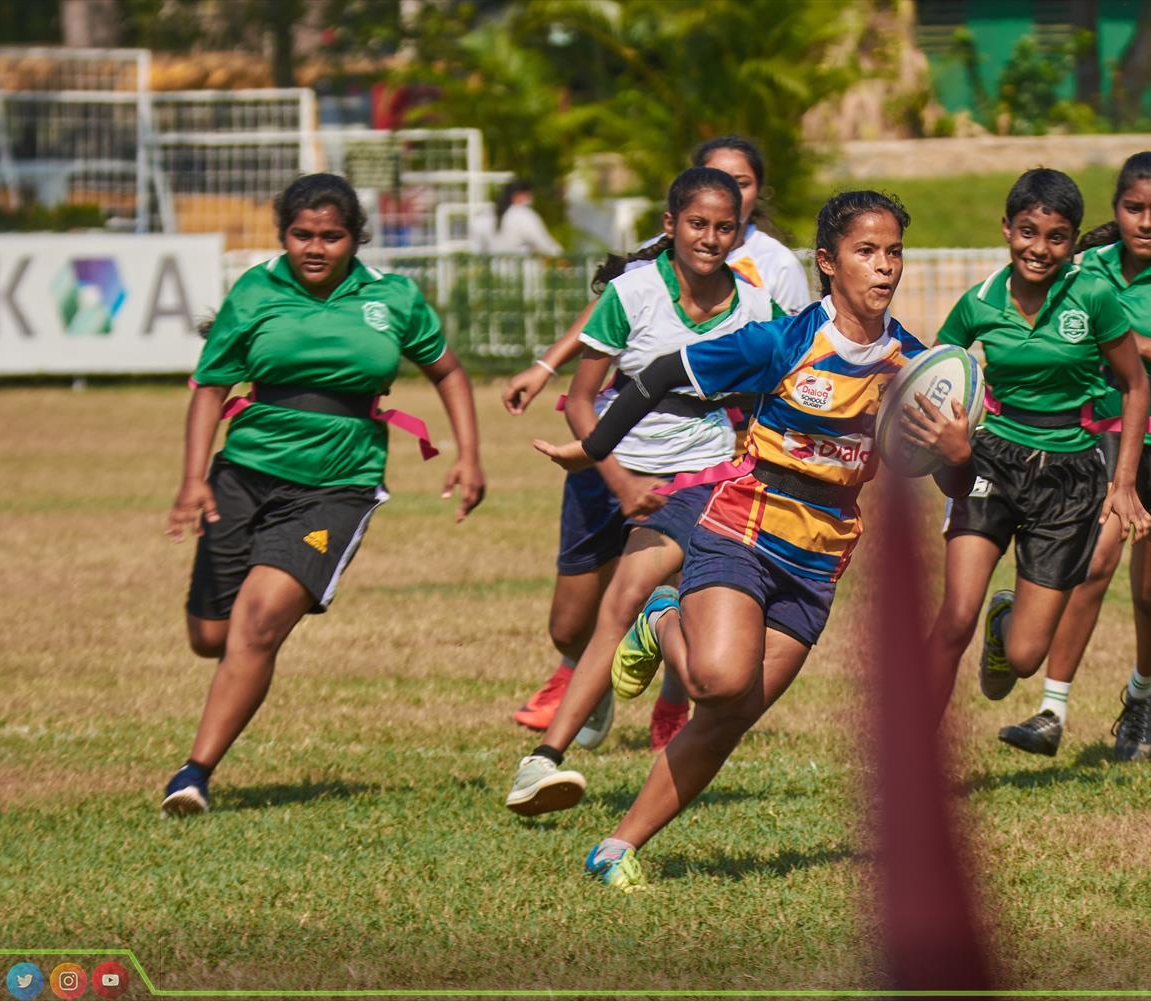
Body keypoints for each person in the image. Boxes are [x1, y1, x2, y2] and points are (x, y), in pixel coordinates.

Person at [510, 191, 971, 894]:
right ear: (827, 262)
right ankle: (661, 617)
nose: (884, 268)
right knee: (718, 678)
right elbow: (663, 373)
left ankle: (616, 846)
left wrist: (959, 452)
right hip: (742, 530)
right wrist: (594, 444)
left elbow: (956, 489)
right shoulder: (783, 341)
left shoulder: (911, 367)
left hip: (819, 563)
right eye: (865, 252)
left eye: (894, 252)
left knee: (730, 715)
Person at [160, 173, 485, 816]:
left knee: (256, 626)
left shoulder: (391, 297)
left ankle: (193, 775)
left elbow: (446, 370)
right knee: (209, 634)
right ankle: (235, 679)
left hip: (338, 485)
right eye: (301, 234)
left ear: (355, 238)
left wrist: (469, 454)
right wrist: (193, 479)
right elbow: (208, 386)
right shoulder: (255, 290)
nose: (315, 247)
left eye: (331, 236)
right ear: (283, 235)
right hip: (244, 474)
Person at [504, 136, 809, 752]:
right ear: (672, 223)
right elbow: (585, 390)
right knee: (569, 624)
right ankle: (595, 677)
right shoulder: (638, 284)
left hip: (699, 469)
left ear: (749, 206)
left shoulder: (767, 282)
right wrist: (612, 472)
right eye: (698, 221)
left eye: (726, 221)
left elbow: (797, 358)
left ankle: (619, 719)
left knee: (645, 591)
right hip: (610, 459)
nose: (712, 235)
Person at [995, 152, 1151, 761]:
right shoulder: (1088, 267)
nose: (1147, 222)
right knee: (1094, 564)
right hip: (1107, 432)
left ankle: (1142, 691)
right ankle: (1052, 709)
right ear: (1116, 210)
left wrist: (1144, 345)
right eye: (1135, 208)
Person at [928, 168, 1151, 727]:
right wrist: (946, 441)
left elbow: (1135, 385)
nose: (1040, 249)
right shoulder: (978, 302)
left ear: (1073, 242)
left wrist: (1122, 482)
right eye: (1028, 232)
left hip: (1071, 475)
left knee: (1025, 657)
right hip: (993, 460)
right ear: (1007, 229)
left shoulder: (1095, 297)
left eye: (1056, 237)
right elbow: (935, 376)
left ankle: (1005, 624)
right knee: (956, 616)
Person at [471, 179, 563, 257]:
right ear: (518, 196)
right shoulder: (523, 215)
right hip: (521, 273)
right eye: (528, 196)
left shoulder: (484, 216)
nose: (530, 200)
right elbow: (544, 243)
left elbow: (476, 249)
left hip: (492, 272)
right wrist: (560, 255)